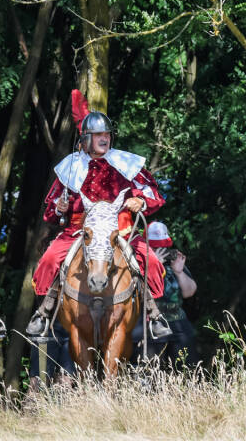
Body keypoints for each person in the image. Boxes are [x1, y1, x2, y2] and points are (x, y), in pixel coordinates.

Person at [27, 90, 172, 340]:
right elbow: (51, 210)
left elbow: (153, 193)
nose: (104, 139)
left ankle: (154, 314)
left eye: (107, 134)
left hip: (121, 232)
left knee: (153, 262)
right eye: (98, 135)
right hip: (80, 233)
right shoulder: (72, 166)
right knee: (50, 260)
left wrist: (141, 201)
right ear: (85, 138)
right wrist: (58, 209)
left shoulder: (125, 164)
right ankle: (44, 312)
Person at [132, 221, 199, 366]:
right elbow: (137, 293)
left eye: (163, 246)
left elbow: (189, 292)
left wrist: (179, 272)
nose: (160, 249)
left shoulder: (174, 263)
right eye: (155, 246)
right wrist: (154, 265)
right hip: (150, 321)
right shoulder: (138, 263)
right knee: (149, 369)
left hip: (177, 320)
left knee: (188, 364)